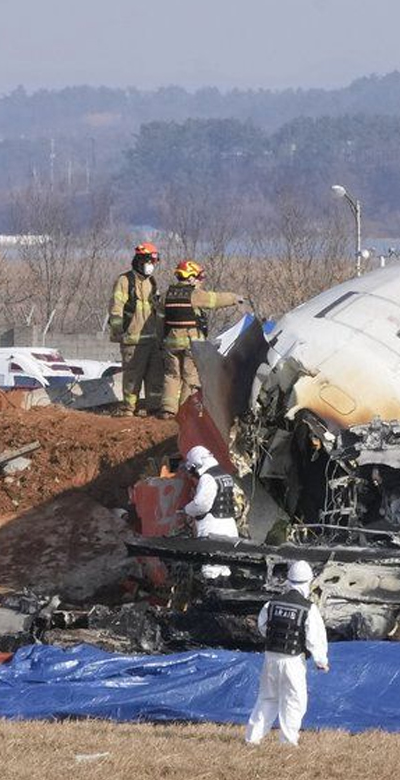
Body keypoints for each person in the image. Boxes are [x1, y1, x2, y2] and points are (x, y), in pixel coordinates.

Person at [243, 559, 328, 746]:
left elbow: (263, 626)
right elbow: (315, 637)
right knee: (294, 701)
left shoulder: (271, 604)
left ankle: (252, 738)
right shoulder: (308, 608)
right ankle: (288, 741)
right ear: (308, 582)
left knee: (267, 698)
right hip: (293, 661)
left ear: (288, 580)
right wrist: (321, 660)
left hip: (270, 659)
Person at [158, 260, 247, 416]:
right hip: (190, 344)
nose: (200, 281)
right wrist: (234, 298)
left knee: (171, 375)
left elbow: (159, 318)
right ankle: (186, 412)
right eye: (198, 277)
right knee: (190, 376)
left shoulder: (167, 295)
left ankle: (168, 409)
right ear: (191, 277)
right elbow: (215, 299)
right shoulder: (194, 295)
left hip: (171, 343)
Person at [107, 242, 167, 417]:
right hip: (132, 340)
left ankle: (153, 408)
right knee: (133, 377)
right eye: (150, 261)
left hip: (152, 340)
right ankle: (128, 409)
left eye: (154, 262)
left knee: (155, 377)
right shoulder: (125, 281)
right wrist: (119, 331)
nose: (152, 266)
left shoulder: (152, 282)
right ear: (140, 260)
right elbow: (116, 307)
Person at [182, 445, 242, 579]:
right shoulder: (225, 474)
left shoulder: (208, 478)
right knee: (225, 568)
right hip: (229, 526)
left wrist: (186, 509)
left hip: (213, 528)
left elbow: (201, 505)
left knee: (211, 571)